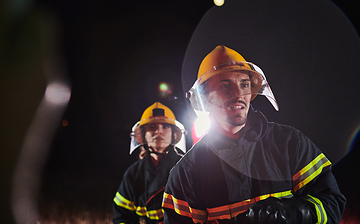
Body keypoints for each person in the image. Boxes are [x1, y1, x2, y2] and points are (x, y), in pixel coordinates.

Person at [162, 45, 346, 224]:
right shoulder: (186, 173)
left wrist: (295, 212)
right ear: (205, 97)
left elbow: (332, 202)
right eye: (226, 86)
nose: (238, 94)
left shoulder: (290, 143)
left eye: (244, 84)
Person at [113, 102, 186, 224]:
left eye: (165, 126)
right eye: (152, 127)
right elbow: (122, 216)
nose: (158, 131)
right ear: (142, 135)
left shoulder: (186, 168)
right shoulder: (133, 174)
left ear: (175, 134)